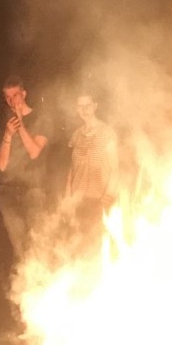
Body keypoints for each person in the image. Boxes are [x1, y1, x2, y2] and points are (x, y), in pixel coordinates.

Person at [0, 78, 49, 258]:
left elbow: (34, 152)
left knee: (38, 242)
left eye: (15, 95)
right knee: (18, 245)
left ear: (24, 94)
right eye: (7, 97)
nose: (12, 100)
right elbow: (1, 165)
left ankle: (43, 280)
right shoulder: (4, 123)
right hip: (8, 191)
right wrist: (8, 134)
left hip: (33, 190)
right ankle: (24, 283)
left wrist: (21, 123)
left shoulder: (41, 118)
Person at [62, 92, 119, 248]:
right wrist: (67, 199)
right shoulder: (76, 135)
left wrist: (108, 195)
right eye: (80, 106)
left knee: (97, 247)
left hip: (99, 199)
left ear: (95, 106)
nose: (84, 109)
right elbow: (72, 170)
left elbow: (115, 168)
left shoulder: (107, 133)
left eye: (87, 105)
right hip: (78, 199)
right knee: (76, 246)